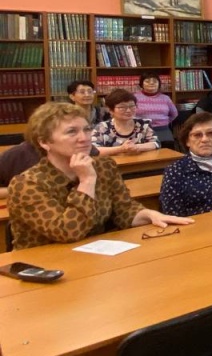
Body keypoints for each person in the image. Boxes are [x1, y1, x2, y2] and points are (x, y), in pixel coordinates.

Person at [7, 102, 193, 250]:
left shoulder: (104, 166)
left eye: (87, 129)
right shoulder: (28, 183)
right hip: (44, 267)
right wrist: (86, 181)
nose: (84, 138)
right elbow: (68, 232)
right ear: (45, 142)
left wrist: (148, 214)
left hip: (95, 259)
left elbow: (124, 209)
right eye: (72, 132)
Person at [90, 89, 160, 156]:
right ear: (111, 110)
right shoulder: (102, 127)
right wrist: (121, 149)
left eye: (132, 106)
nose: (128, 110)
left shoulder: (144, 124)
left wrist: (137, 147)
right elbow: (93, 150)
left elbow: (155, 143)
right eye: (122, 107)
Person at [134, 71, 178, 145]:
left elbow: (174, 114)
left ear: (159, 84)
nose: (151, 83)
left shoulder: (165, 98)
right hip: (141, 131)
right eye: (147, 81)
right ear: (141, 84)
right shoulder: (134, 98)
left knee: (168, 149)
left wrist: (163, 122)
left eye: (154, 81)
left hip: (163, 130)